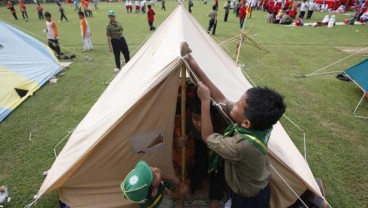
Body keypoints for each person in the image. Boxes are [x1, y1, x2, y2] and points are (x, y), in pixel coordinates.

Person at [181, 42, 286, 208]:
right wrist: (196, 68)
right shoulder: (262, 125)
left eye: (237, 104)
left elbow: (207, 136)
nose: (234, 104)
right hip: (260, 187)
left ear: (246, 123)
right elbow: (221, 100)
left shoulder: (241, 146)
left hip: (248, 198)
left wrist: (205, 100)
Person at [121, 160, 186, 208]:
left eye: (150, 168)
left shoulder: (143, 192)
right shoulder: (166, 205)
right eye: (154, 175)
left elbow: (158, 176)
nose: (156, 168)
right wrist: (182, 197)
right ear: (154, 191)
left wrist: (172, 179)